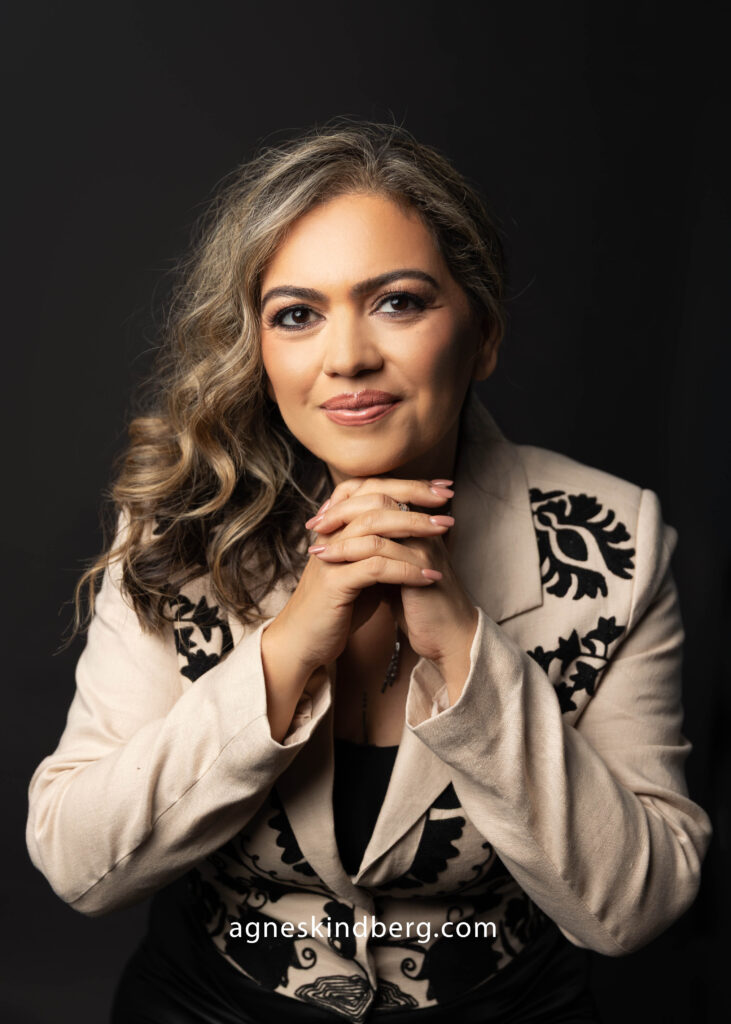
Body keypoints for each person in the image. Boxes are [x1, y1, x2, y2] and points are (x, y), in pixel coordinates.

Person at [26, 120, 711, 1024]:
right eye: (296, 314)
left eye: (397, 301)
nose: (346, 356)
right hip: (214, 1006)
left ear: (484, 334)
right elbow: (80, 867)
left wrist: (467, 654)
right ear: (260, 351)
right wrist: (287, 648)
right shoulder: (175, 532)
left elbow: (636, 906)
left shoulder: (609, 538)